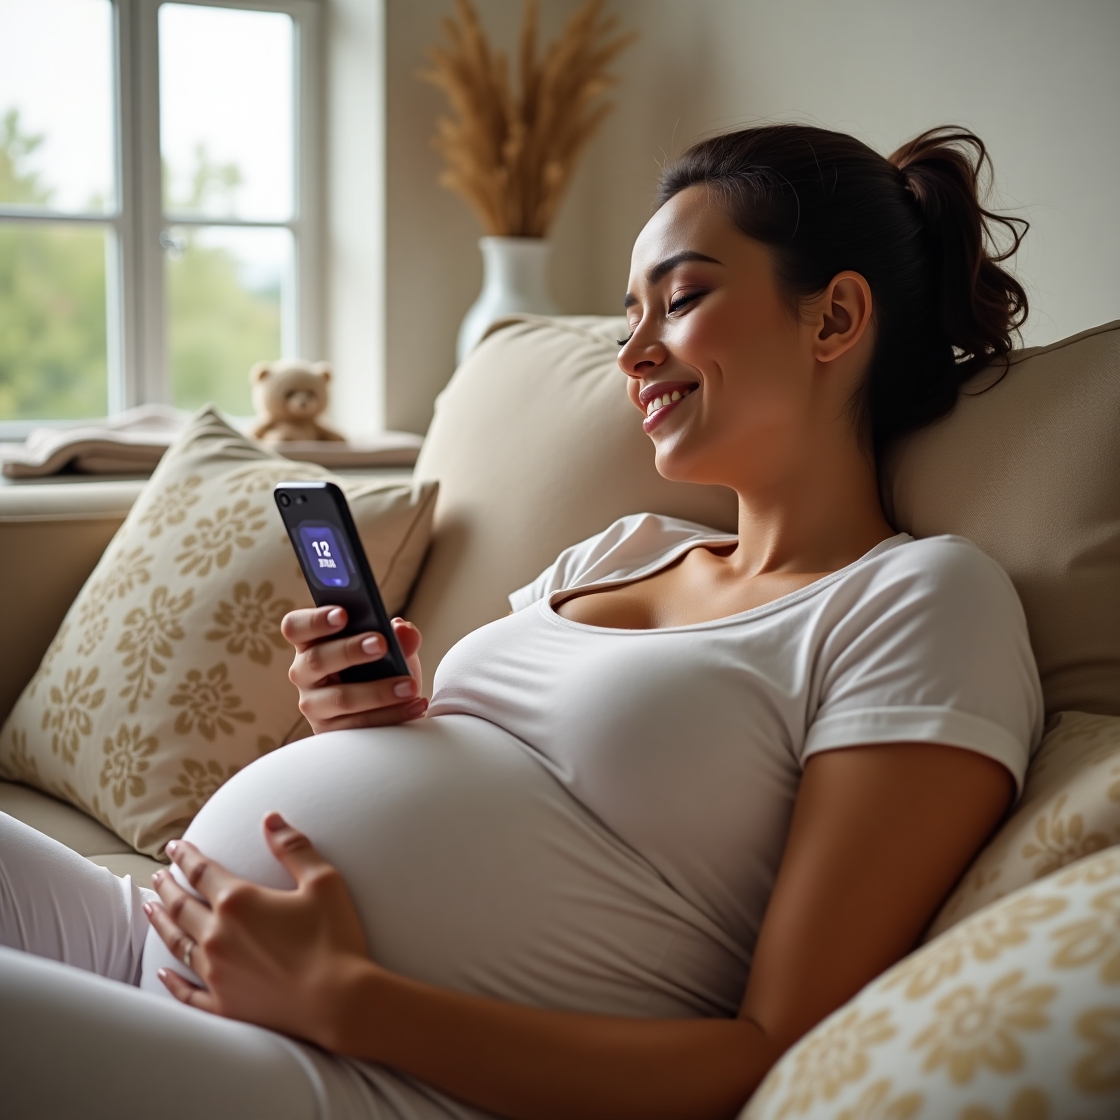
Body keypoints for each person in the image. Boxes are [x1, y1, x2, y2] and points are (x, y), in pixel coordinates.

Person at [0, 123, 1041, 1120]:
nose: (632, 353)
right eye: (628, 316)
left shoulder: (919, 599)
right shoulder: (623, 548)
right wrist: (359, 721)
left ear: (835, 318)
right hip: (166, 935)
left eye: (680, 300)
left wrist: (347, 998)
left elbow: (776, 1053)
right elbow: (484, 802)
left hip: (345, 1075)